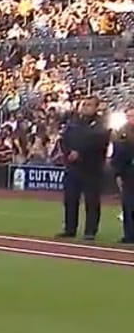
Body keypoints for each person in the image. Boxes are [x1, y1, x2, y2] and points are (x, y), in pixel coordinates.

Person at [57, 98, 111, 241]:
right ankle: (70, 228)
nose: (85, 107)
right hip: (73, 167)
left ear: (96, 108)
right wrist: (68, 152)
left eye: (89, 105)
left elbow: (99, 141)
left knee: (91, 201)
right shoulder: (73, 123)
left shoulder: (101, 124)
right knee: (70, 199)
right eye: (83, 105)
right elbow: (63, 140)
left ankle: (90, 231)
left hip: (91, 168)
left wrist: (80, 152)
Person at [110, 121, 134, 244]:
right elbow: (117, 157)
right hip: (129, 176)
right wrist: (118, 174)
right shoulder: (122, 136)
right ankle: (129, 235)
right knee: (128, 206)